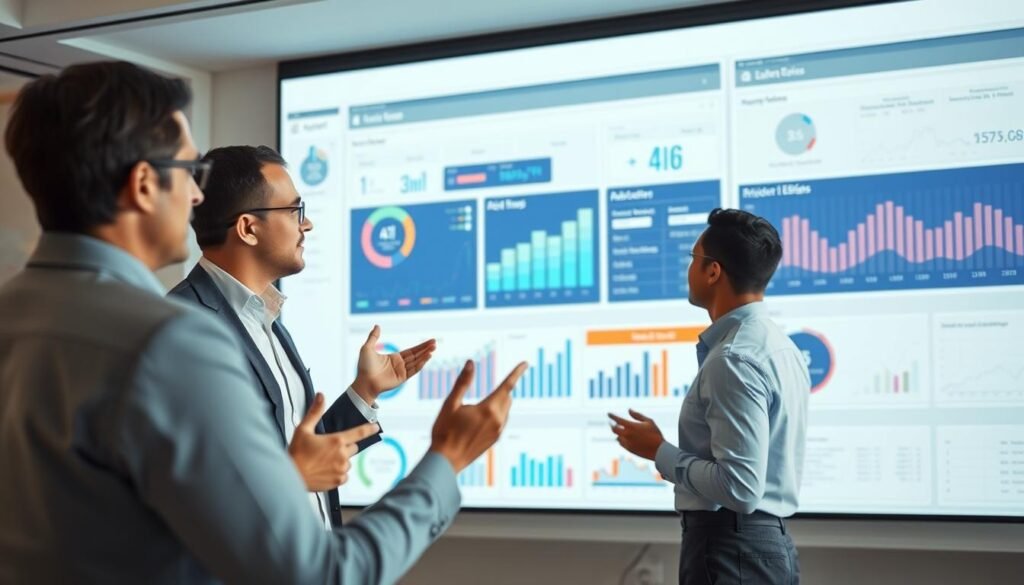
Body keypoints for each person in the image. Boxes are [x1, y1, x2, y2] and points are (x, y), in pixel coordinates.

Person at [0, 60, 526, 585]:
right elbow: (320, 573)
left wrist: (361, 397)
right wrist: (447, 459)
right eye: (186, 172)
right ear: (142, 185)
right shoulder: (171, 343)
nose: (197, 197)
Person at [167, 145, 434, 529]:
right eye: (295, 211)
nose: (306, 225)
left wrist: (364, 392)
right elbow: (192, 489)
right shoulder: (182, 327)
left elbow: (301, 455)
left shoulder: (267, 318)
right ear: (248, 228)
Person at [609, 208, 809, 585]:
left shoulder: (733, 358)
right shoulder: (781, 347)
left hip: (731, 551)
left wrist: (659, 451)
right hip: (762, 547)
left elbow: (740, 488)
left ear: (713, 271)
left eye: (693, 258)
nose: (689, 269)